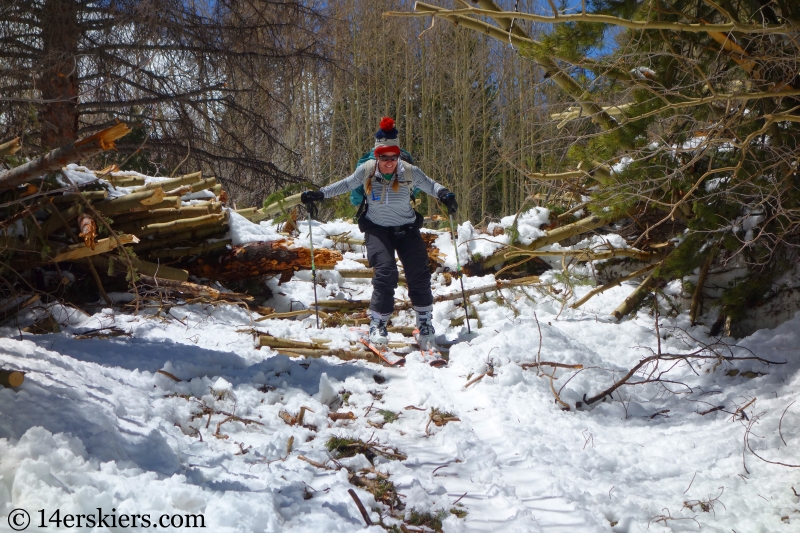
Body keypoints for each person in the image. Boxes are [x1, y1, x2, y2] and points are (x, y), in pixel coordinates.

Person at [301, 117, 457, 350]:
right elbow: (345, 184)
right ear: (377, 156)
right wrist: (320, 194)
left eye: (393, 158)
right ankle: (378, 324)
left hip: (406, 228)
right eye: (383, 158)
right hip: (377, 229)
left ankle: (424, 323)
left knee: (418, 273)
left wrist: (445, 194)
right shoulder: (367, 169)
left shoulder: (409, 171)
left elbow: (431, 185)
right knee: (386, 272)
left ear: (398, 156)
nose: (388, 162)